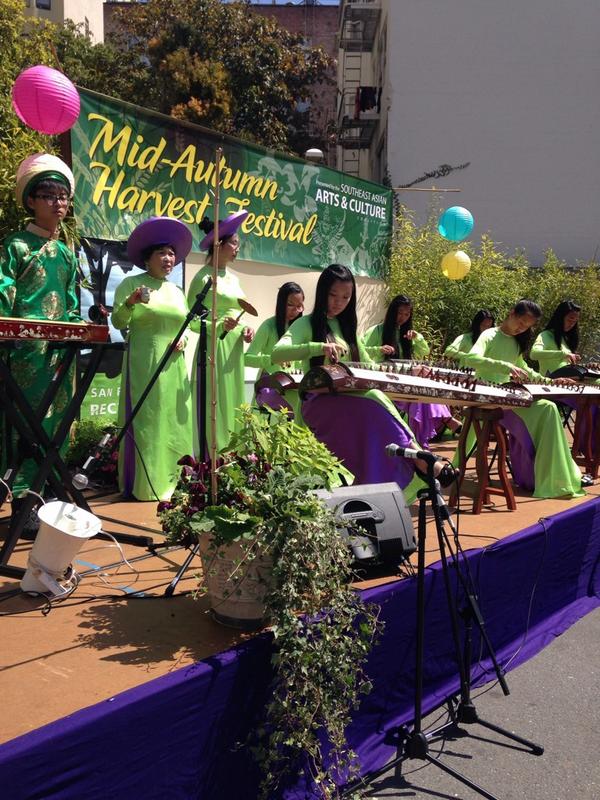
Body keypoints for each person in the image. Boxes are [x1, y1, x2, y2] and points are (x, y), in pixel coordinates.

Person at [272, 265, 456, 496]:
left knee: (374, 398)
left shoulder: (348, 329)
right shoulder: (306, 324)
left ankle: (410, 458)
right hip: (319, 402)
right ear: (321, 294)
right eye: (333, 295)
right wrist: (318, 347)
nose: (339, 302)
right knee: (373, 399)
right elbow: (277, 353)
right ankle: (418, 457)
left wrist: (410, 371)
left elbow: (371, 366)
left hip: (351, 401)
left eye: (346, 297)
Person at [0, 153, 82, 532]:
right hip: (23, 354)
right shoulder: (15, 246)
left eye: (63, 196)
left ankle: (47, 497)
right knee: (22, 424)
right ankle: (22, 500)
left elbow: (71, 303)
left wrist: (77, 330)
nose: (59, 203)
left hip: (57, 357)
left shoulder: (67, 253)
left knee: (55, 423)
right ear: (31, 200)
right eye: (49, 194)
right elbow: (4, 294)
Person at [463, 299, 590, 498]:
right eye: (521, 323)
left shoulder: (515, 342)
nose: (522, 329)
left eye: (527, 327)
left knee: (549, 408)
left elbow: (526, 370)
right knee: (547, 409)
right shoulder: (490, 334)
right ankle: (543, 475)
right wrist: (505, 367)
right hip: (489, 396)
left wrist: (552, 381)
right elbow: (470, 358)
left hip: (509, 396)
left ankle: (554, 477)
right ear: (512, 312)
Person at [111, 217, 193, 501]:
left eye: (171, 253)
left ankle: (176, 480)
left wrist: (184, 339)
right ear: (148, 258)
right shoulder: (131, 284)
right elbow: (119, 321)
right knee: (148, 419)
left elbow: (186, 325)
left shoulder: (177, 291)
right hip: (145, 360)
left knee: (173, 419)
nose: (169, 258)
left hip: (175, 363)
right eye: (162, 253)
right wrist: (131, 302)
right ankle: (146, 485)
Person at [187, 210, 254, 455]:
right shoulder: (204, 277)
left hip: (233, 348)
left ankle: (234, 456)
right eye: (234, 243)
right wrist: (217, 326)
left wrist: (246, 329)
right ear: (219, 244)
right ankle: (212, 458)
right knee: (215, 403)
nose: (237, 249)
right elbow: (192, 320)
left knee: (234, 401)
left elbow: (241, 311)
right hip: (213, 347)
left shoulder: (234, 279)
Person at [364, 294, 462, 444]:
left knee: (421, 391)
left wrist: (417, 338)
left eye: (406, 314)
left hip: (405, 383)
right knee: (419, 396)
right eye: (399, 313)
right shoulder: (377, 331)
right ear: (392, 312)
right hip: (386, 383)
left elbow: (424, 351)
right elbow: (361, 351)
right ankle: (442, 423)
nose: (402, 317)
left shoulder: (407, 335)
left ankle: (420, 439)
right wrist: (379, 349)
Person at [531, 299, 597, 456]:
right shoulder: (546, 335)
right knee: (588, 403)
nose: (572, 324)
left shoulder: (565, 340)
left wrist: (588, 367)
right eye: (569, 319)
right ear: (560, 317)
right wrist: (562, 353)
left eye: (575, 321)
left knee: (594, 402)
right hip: (553, 383)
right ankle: (583, 448)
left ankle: (588, 447)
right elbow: (534, 354)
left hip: (571, 382)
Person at [245, 281, 304, 415]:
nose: (295, 310)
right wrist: (271, 360)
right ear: (281, 303)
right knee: (300, 404)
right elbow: (246, 359)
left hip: (294, 386)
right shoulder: (269, 326)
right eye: (290, 305)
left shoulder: (302, 327)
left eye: (299, 306)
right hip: (270, 386)